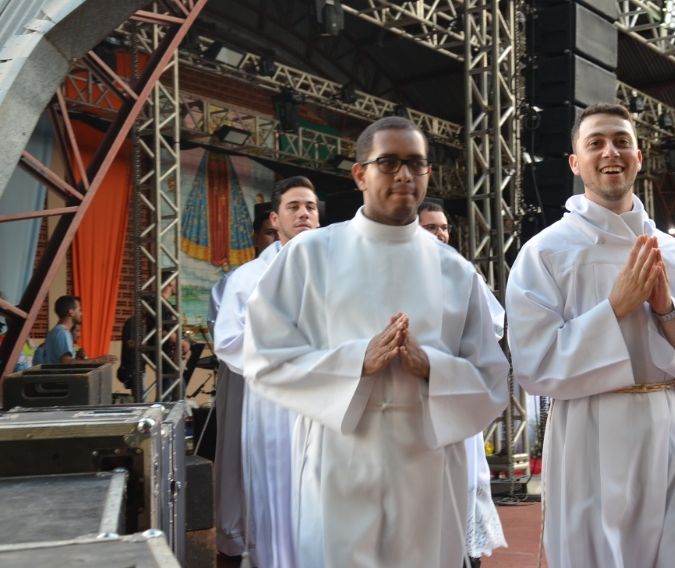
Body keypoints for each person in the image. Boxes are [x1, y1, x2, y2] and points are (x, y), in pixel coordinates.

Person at [244, 116, 510, 568]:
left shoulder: (456, 271)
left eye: (416, 164)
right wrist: (355, 363)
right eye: (388, 162)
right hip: (341, 454)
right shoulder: (310, 255)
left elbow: (490, 377)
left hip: (429, 459)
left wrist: (434, 368)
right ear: (360, 173)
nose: (404, 175)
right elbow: (263, 357)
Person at [505, 103, 675, 568]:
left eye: (621, 141)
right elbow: (534, 367)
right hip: (589, 434)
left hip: (669, 427)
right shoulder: (545, 253)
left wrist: (667, 311)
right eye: (595, 143)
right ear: (576, 163)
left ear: (639, 155)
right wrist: (616, 308)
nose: (611, 152)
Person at [215, 178, 319, 568]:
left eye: (310, 206)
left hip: (325, 400)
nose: (304, 213)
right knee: (276, 498)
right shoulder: (247, 278)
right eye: (294, 207)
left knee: (323, 497)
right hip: (273, 402)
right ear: (276, 219)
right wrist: (284, 359)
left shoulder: (337, 272)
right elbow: (227, 342)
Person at [417, 202, 507, 566]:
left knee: (465, 484)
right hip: (416, 398)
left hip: (455, 389)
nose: (439, 234)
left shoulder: (463, 272)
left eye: (442, 227)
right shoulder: (401, 271)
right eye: (430, 228)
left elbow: (494, 325)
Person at [209, 201, 280, 560]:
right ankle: (234, 544)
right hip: (244, 386)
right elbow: (226, 341)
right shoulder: (234, 282)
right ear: (258, 236)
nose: (274, 240)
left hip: (292, 394)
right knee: (240, 463)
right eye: (268, 233)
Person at [118, 270, 189, 398]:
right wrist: (181, 342)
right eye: (176, 281)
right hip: (164, 357)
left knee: (177, 394)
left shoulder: (165, 305)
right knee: (168, 397)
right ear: (171, 282)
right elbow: (161, 331)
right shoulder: (158, 305)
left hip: (169, 358)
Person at [34, 296, 117, 366]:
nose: (81, 314)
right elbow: (66, 363)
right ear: (71, 312)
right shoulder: (63, 332)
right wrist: (97, 361)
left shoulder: (56, 331)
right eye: (79, 310)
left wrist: (77, 359)